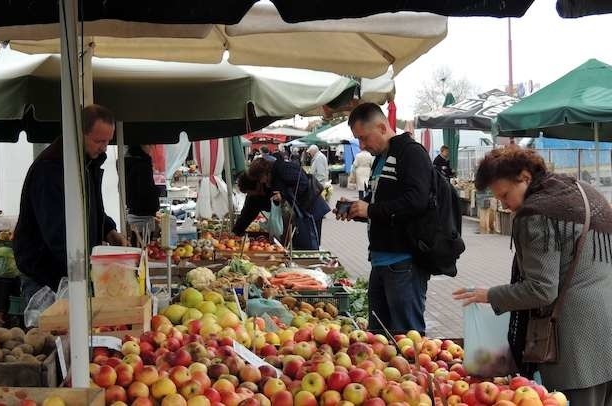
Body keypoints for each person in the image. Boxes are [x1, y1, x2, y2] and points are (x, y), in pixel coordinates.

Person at [452, 147, 612, 403]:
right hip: (606, 331)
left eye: (505, 195)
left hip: (572, 344)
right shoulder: (581, 191)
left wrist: (490, 295)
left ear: (525, 177)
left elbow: (541, 289)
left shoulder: (536, 213)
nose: (505, 205)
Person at [14, 104, 127, 303]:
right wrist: (86, 268)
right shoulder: (50, 170)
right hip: (45, 276)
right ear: (79, 134)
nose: (104, 147)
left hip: (71, 271)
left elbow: (92, 208)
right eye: (98, 140)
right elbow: (56, 232)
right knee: (50, 333)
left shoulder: (88, 162)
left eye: (108, 141)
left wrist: (108, 230)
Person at [336, 103, 432, 334]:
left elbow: (417, 201)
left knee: (406, 337)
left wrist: (369, 210)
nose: (362, 145)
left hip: (403, 262)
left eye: (364, 138)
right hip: (380, 262)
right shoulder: (381, 158)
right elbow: (380, 203)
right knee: (379, 337)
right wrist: (356, 209)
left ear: (381, 127)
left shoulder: (410, 152)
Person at [233, 158, 330, 249]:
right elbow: (248, 213)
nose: (250, 195)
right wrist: (237, 232)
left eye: (250, 192)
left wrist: (283, 195)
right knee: (294, 243)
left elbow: (303, 182)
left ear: (257, 183)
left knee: (309, 243)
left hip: (310, 208)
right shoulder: (256, 194)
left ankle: (310, 260)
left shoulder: (281, 169)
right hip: (293, 215)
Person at [125, 145, 160, 244]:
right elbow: (145, 190)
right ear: (140, 145)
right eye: (149, 144)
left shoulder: (128, 162)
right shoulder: (142, 165)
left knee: (137, 244)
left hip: (134, 212)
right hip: (143, 214)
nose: (152, 147)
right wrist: (157, 191)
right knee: (143, 248)